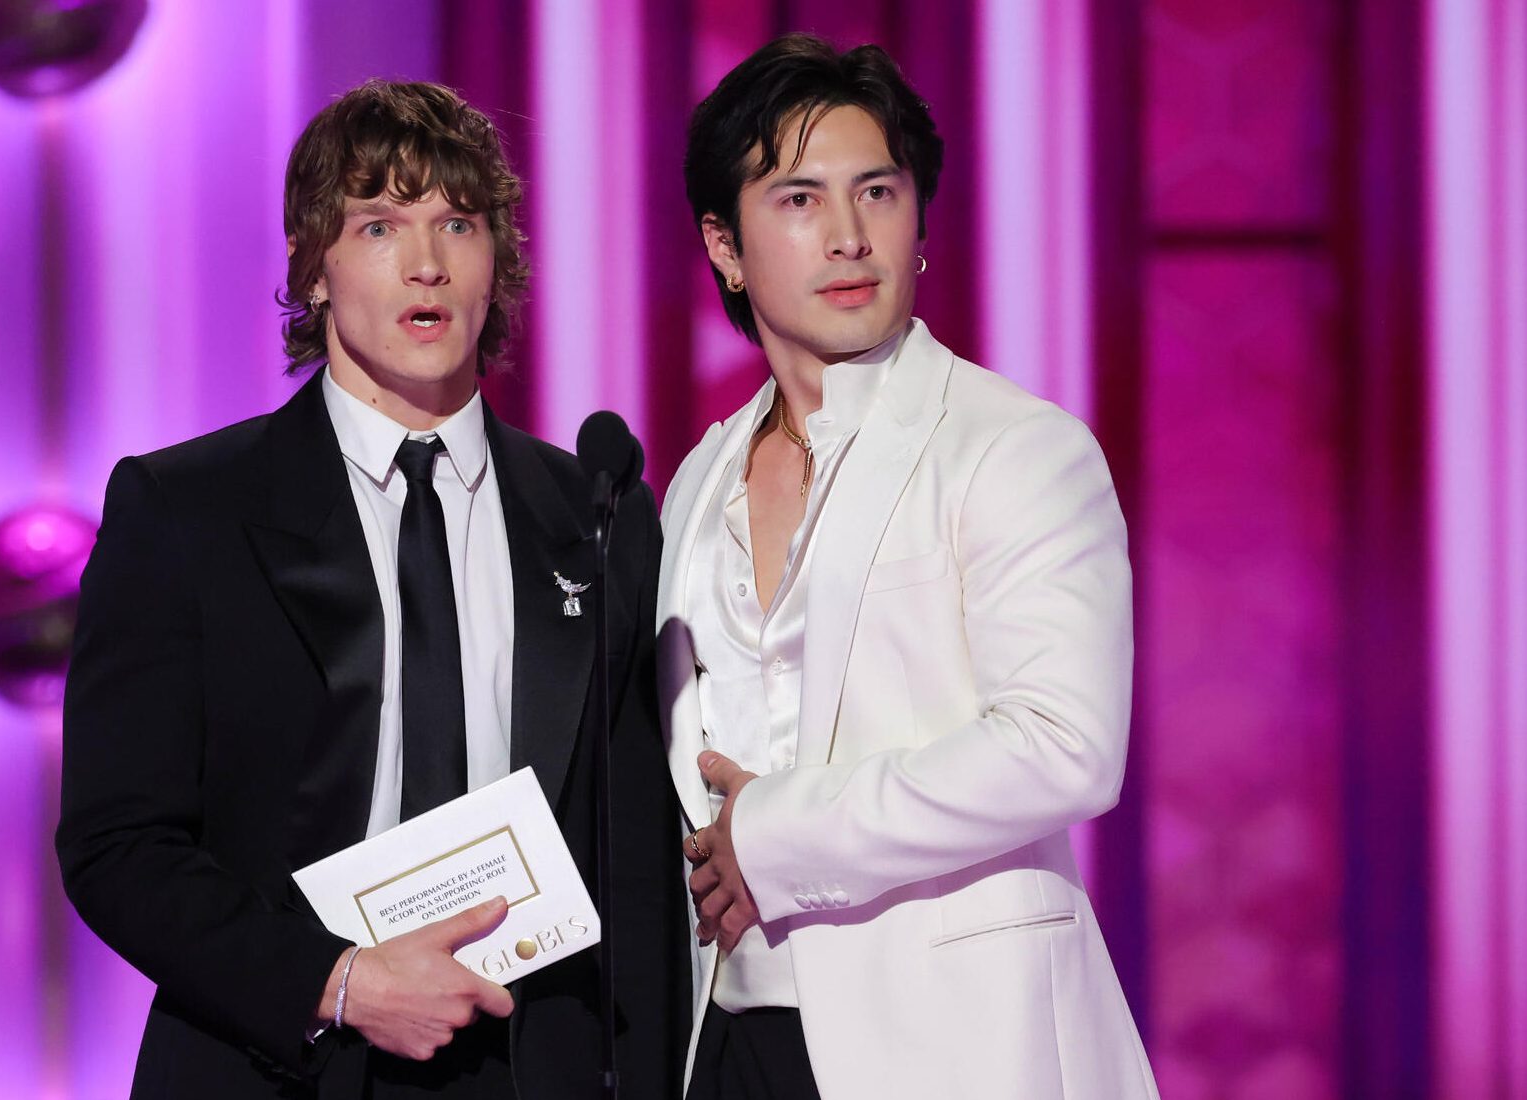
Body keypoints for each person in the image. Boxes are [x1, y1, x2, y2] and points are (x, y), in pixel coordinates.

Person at [58, 78, 686, 1098]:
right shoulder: (186, 510)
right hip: (285, 1054)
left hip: (535, 1058)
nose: (427, 261)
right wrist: (338, 981)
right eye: (380, 224)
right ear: (313, 267)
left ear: (497, 264)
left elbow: (639, 865)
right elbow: (115, 844)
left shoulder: (594, 508)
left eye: (458, 222)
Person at [658, 34, 1159, 1098]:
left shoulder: (1014, 445)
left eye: (876, 192)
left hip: (955, 1040)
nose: (848, 237)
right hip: (731, 1033)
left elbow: (1063, 746)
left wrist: (775, 832)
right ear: (725, 244)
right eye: (798, 200)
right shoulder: (695, 478)